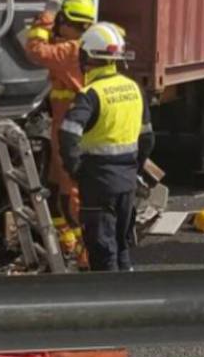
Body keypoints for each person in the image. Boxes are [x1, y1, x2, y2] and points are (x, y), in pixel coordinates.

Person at [59, 22, 155, 271]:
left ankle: (110, 305)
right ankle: (128, 300)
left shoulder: (90, 94)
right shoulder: (134, 89)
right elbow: (147, 138)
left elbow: (68, 134)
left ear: (88, 57)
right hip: (127, 182)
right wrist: (134, 167)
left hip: (99, 183)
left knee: (103, 253)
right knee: (122, 246)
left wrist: (76, 170)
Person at [24, 0, 98, 264]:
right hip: (67, 125)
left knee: (71, 193)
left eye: (61, 22)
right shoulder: (85, 46)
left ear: (69, 24)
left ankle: (87, 254)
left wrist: (46, 17)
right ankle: (69, 241)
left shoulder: (69, 51)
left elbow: (35, 50)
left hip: (68, 127)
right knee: (56, 185)